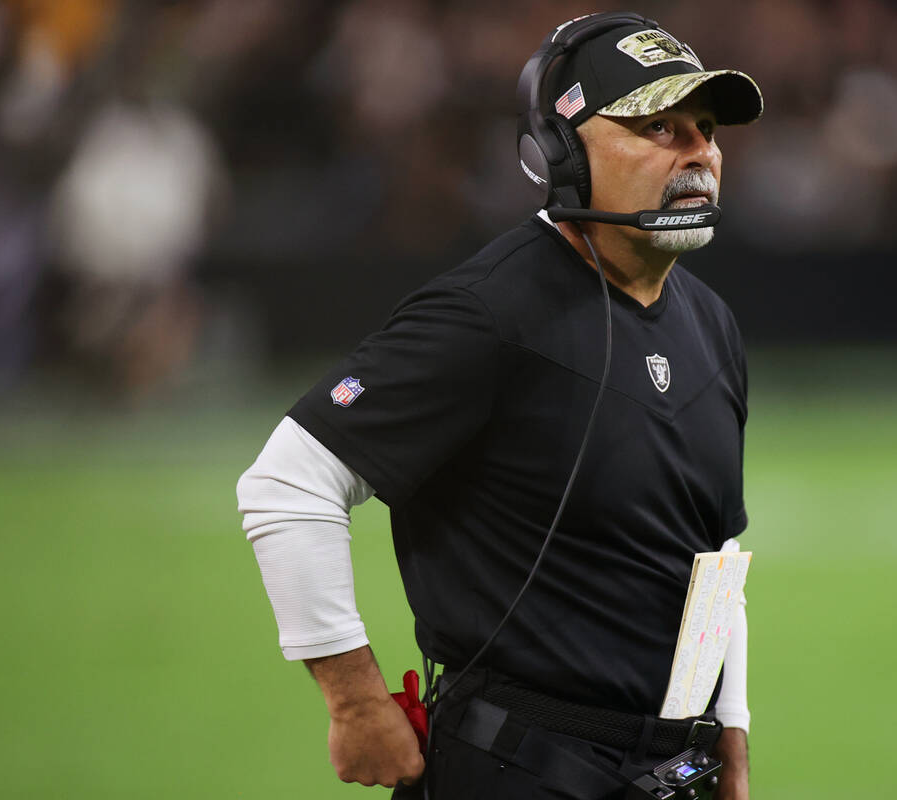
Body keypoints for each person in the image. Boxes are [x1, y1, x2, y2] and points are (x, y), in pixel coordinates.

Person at [237, 12, 762, 799]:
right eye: (658, 125)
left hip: (663, 772)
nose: (698, 153)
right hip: (516, 767)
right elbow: (288, 482)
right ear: (559, 152)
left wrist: (729, 737)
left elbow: (713, 566)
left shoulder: (712, 325)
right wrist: (353, 700)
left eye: (706, 128)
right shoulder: (489, 312)